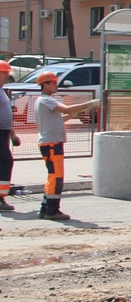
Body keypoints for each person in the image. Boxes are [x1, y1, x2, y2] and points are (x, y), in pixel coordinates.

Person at [34, 71, 99, 222]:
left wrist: (76, 113)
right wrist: (88, 104)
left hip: (50, 143)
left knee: (53, 176)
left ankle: (46, 208)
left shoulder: (44, 101)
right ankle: (52, 210)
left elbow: (62, 117)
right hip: (51, 144)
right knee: (56, 177)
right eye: (53, 83)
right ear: (45, 85)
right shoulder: (46, 100)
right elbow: (67, 109)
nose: (56, 85)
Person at [0, 61, 15, 212]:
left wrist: (12, 134)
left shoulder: (2, 90)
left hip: (3, 132)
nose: (7, 76)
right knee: (6, 161)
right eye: (5, 73)